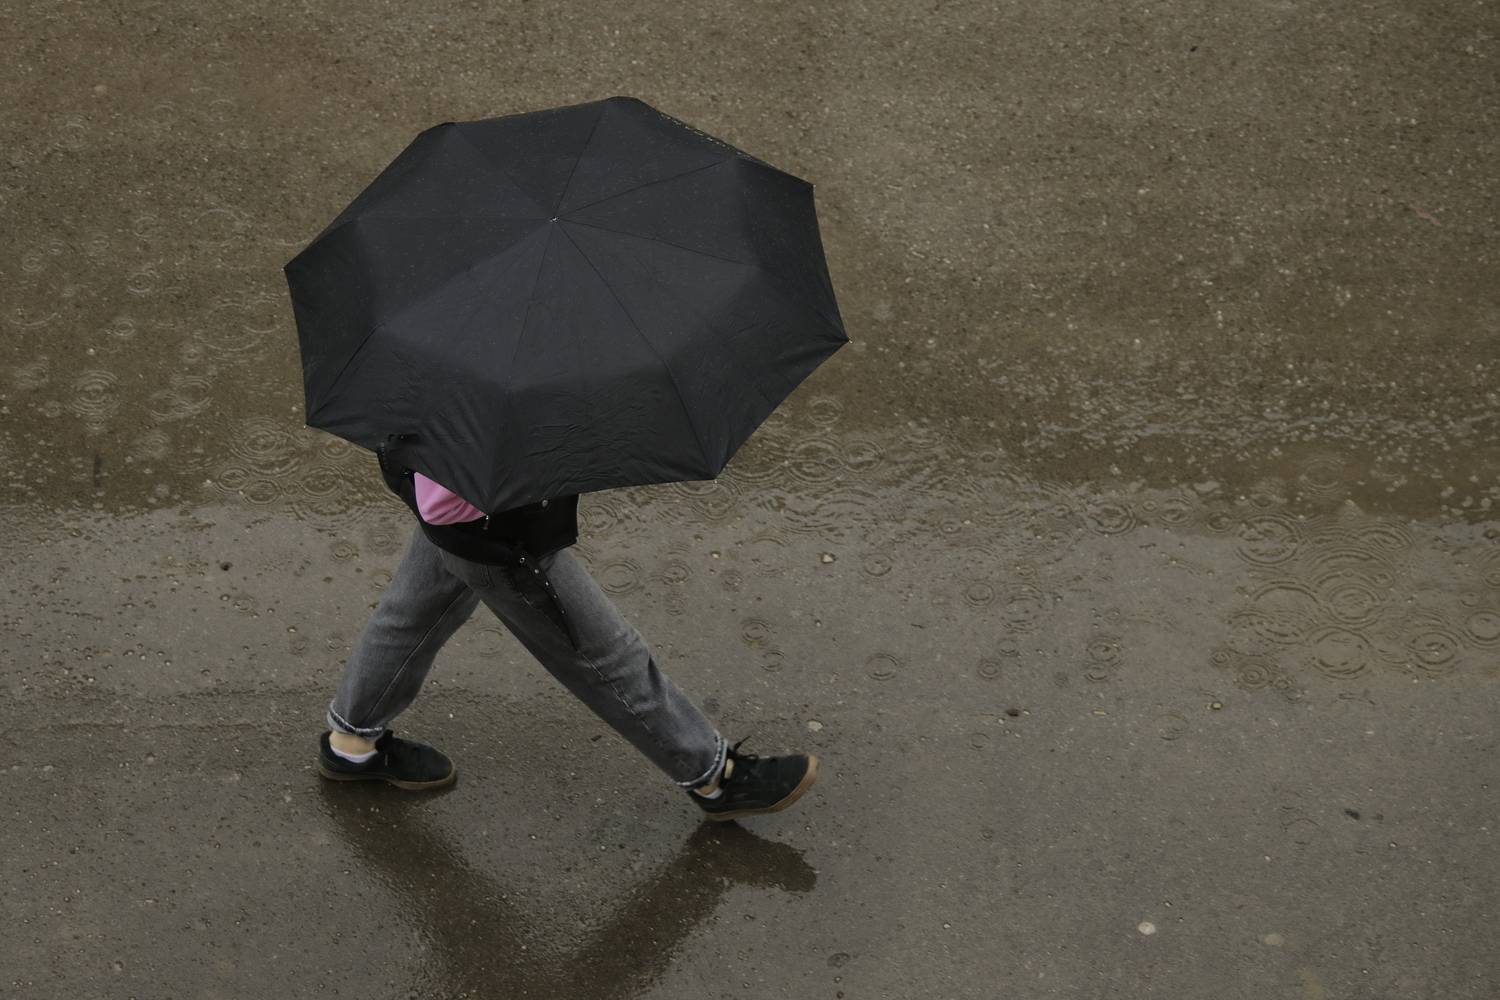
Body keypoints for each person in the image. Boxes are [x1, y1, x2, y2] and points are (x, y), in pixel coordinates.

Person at [315, 434, 819, 822]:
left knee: (412, 614)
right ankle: (715, 777)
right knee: (604, 655)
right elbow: (446, 502)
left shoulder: (449, 354)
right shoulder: (487, 390)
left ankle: (353, 744)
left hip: (457, 507)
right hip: (496, 531)